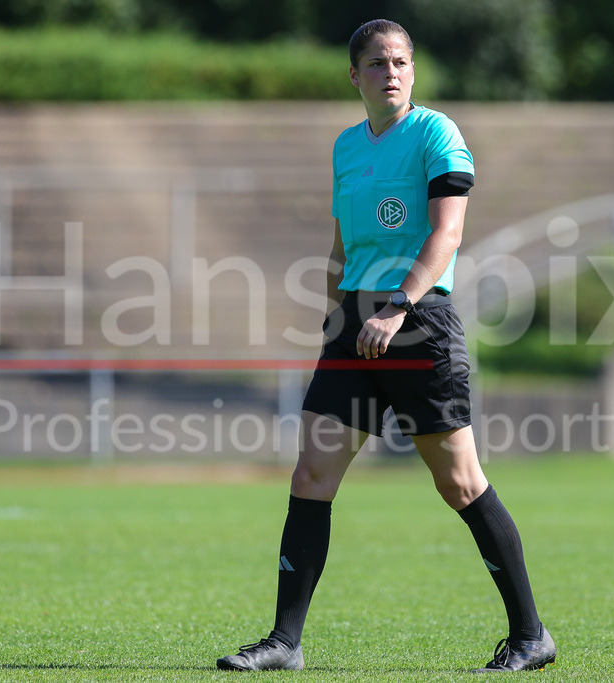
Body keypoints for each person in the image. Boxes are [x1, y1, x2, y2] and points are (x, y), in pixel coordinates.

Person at [217, 19, 555, 673]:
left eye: (400, 61)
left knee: (458, 482)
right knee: (311, 474)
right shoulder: (347, 146)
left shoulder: (435, 133)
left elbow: (446, 234)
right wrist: (335, 317)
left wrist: (397, 307)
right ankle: (285, 641)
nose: (391, 71)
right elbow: (343, 246)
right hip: (354, 323)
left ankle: (530, 634)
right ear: (355, 76)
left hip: (419, 319)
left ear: (413, 72)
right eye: (377, 63)